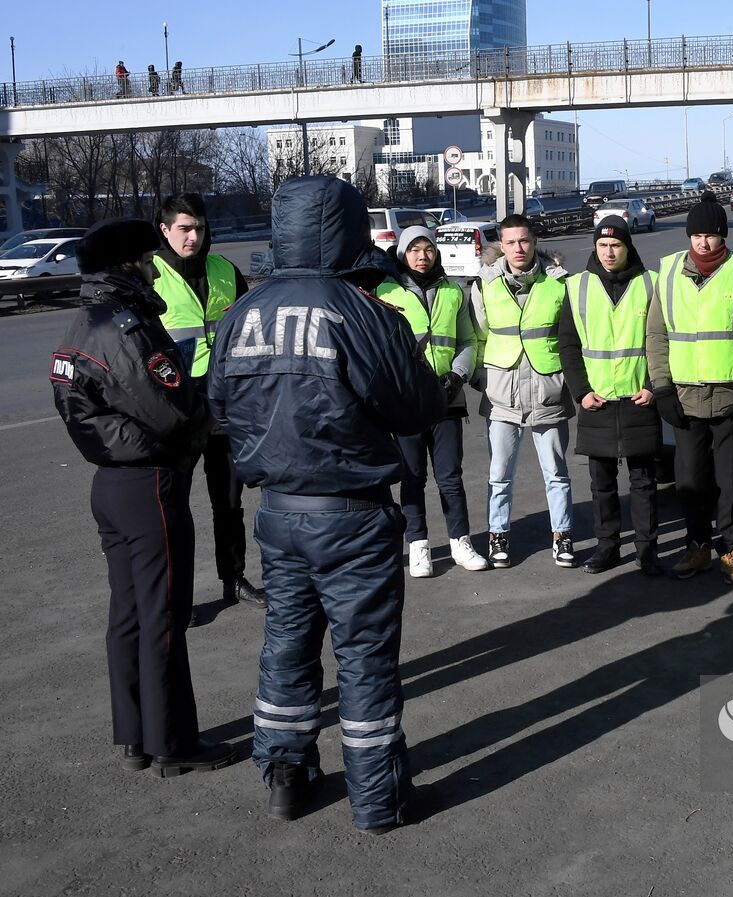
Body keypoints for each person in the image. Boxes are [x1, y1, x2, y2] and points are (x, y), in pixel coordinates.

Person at [207, 176, 445, 831]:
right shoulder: (362, 313)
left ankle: (285, 775)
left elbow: (220, 412)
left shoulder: (241, 316)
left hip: (278, 511)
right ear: (348, 230)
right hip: (353, 514)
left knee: (285, 646)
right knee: (364, 659)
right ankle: (377, 801)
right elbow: (418, 406)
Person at [51, 218, 235, 778]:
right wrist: (206, 420)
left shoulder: (84, 323)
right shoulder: (128, 328)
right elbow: (170, 408)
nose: (156, 266)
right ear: (128, 263)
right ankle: (172, 742)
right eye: (148, 258)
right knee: (163, 614)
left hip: (111, 483)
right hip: (149, 480)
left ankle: (134, 734)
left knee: (128, 613)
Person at [646, 193, 733, 585]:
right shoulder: (666, 273)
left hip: (731, 399)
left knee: (732, 482)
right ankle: (697, 546)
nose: (703, 242)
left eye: (711, 235)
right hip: (683, 401)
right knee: (689, 482)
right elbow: (656, 335)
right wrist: (662, 389)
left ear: (722, 236)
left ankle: (731, 550)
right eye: (696, 234)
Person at [154, 193, 266, 612]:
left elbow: (247, 333)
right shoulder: (154, 275)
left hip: (223, 405)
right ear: (165, 230)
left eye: (199, 227)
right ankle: (175, 599)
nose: (194, 236)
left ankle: (233, 579)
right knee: (172, 510)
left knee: (229, 502)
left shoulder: (225, 270)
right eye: (184, 228)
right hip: (176, 409)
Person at [375, 225, 488, 576]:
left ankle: (461, 542)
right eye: (414, 250)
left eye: (428, 249)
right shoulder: (386, 291)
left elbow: (469, 340)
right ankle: (419, 546)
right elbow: (380, 350)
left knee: (450, 476)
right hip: (407, 402)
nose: (422, 257)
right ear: (402, 254)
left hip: (447, 399)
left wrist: (457, 375)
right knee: (412, 477)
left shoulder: (453, 291)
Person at [558, 217, 665, 576]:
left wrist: (653, 385)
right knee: (601, 483)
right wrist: (581, 392)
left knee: (643, 482)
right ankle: (607, 547)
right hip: (597, 401)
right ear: (594, 247)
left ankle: (647, 551)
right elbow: (569, 346)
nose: (608, 252)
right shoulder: (576, 287)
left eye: (615, 246)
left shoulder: (650, 284)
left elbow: (662, 341)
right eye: (602, 246)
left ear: (627, 246)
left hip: (639, 398)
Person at [469, 214, 577, 569]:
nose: (518, 248)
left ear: (534, 241)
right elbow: (480, 336)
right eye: (510, 242)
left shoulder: (559, 283)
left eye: (524, 241)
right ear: (501, 244)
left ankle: (563, 537)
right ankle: (497, 536)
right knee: (499, 474)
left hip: (548, 389)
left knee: (556, 472)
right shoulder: (484, 284)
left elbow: (570, 339)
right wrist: (483, 379)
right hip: (502, 393)